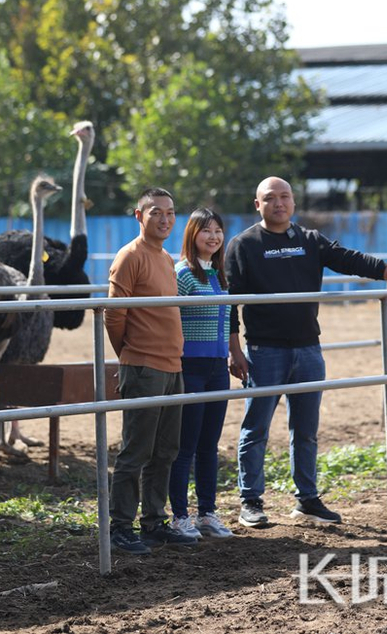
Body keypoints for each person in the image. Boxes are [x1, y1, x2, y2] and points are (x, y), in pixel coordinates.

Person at [226, 176, 387, 528]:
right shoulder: (243, 245)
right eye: (270, 198)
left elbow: (354, 260)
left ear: (293, 202)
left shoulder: (309, 240)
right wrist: (235, 351)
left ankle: (307, 499)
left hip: (309, 350)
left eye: (284, 197)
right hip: (265, 352)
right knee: (256, 427)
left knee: (306, 429)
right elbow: (230, 303)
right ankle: (251, 501)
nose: (278, 203)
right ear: (257, 204)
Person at [104, 187, 198, 555]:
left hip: (171, 365)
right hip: (144, 366)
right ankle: (121, 526)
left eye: (171, 213)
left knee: (165, 450)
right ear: (139, 215)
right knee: (136, 450)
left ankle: (154, 522)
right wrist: (129, 355)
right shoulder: (130, 256)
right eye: (156, 212)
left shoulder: (164, 258)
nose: (165, 219)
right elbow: (114, 314)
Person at [168, 208, 234, 539]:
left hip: (218, 368)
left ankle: (208, 513)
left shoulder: (221, 275)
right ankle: (179, 516)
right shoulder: (183, 274)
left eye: (218, 230)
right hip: (190, 367)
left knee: (210, 445)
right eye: (206, 230)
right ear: (192, 234)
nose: (213, 236)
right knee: (186, 445)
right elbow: (168, 318)